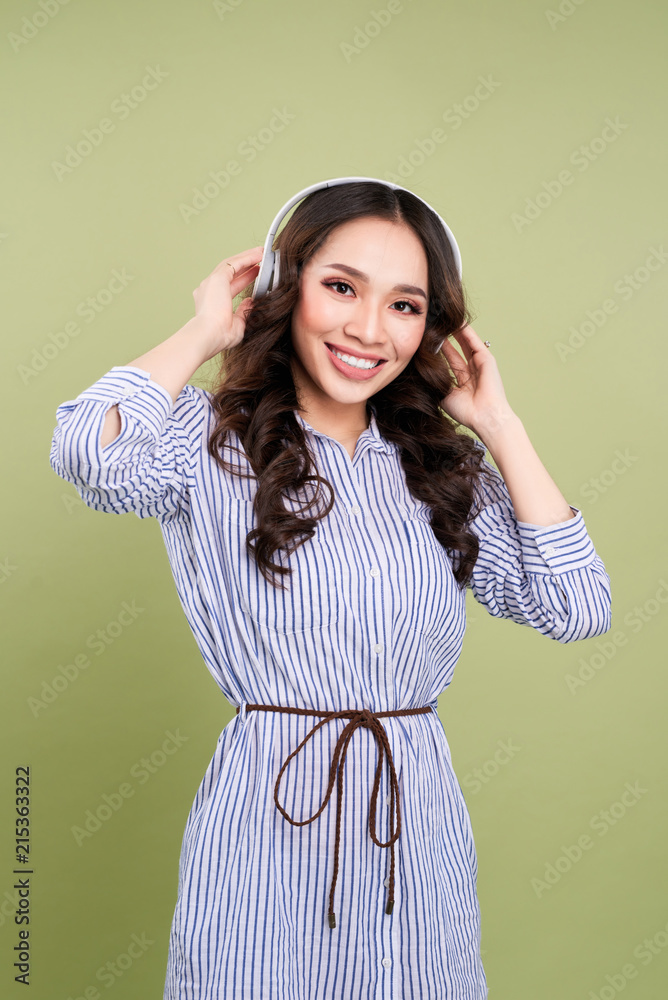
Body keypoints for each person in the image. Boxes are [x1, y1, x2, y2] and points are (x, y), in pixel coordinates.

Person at [49, 179, 612, 1000]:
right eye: (341, 287)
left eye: (405, 306)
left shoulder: (443, 468)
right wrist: (206, 328)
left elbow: (576, 606)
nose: (367, 329)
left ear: (433, 329)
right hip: (268, 817)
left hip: (413, 826)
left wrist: (501, 426)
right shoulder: (209, 441)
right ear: (288, 285)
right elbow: (89, 453)